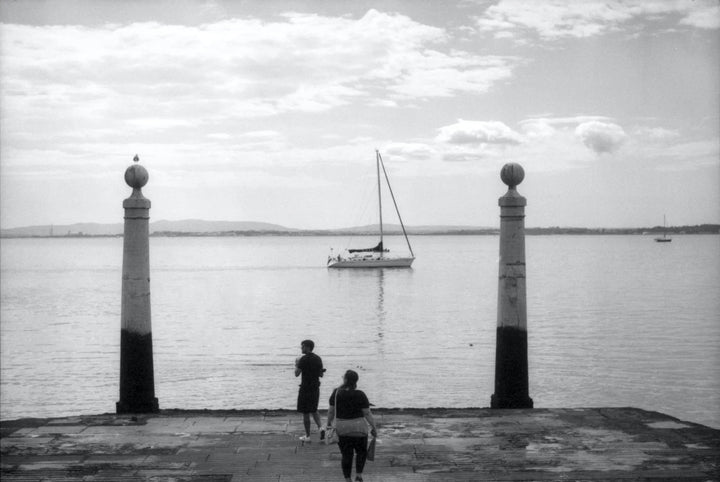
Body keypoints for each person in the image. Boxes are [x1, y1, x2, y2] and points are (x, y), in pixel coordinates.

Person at [326, 370, 378, 482]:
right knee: (361, 452)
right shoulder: (360, 394)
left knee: (346, 454)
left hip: (342, 428)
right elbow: (367, 413)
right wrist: (374, 427)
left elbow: (331, 412)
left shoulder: (336, 393)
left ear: (345, 380)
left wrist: (328, 425)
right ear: (355, 381)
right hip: (360, 428)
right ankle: (359, 475)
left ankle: (347, 479)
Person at [294, 339, 325, 442]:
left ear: (307, 347)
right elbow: (321, 374)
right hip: (315, 388)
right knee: (314, 409)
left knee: (306, 412)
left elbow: (297, 374)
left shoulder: (303, 359)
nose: (301, 348)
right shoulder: (318, 359)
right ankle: (321, 428)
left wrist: (297, 364)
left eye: (302, 346)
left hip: (305, 388)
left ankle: (307, 436)